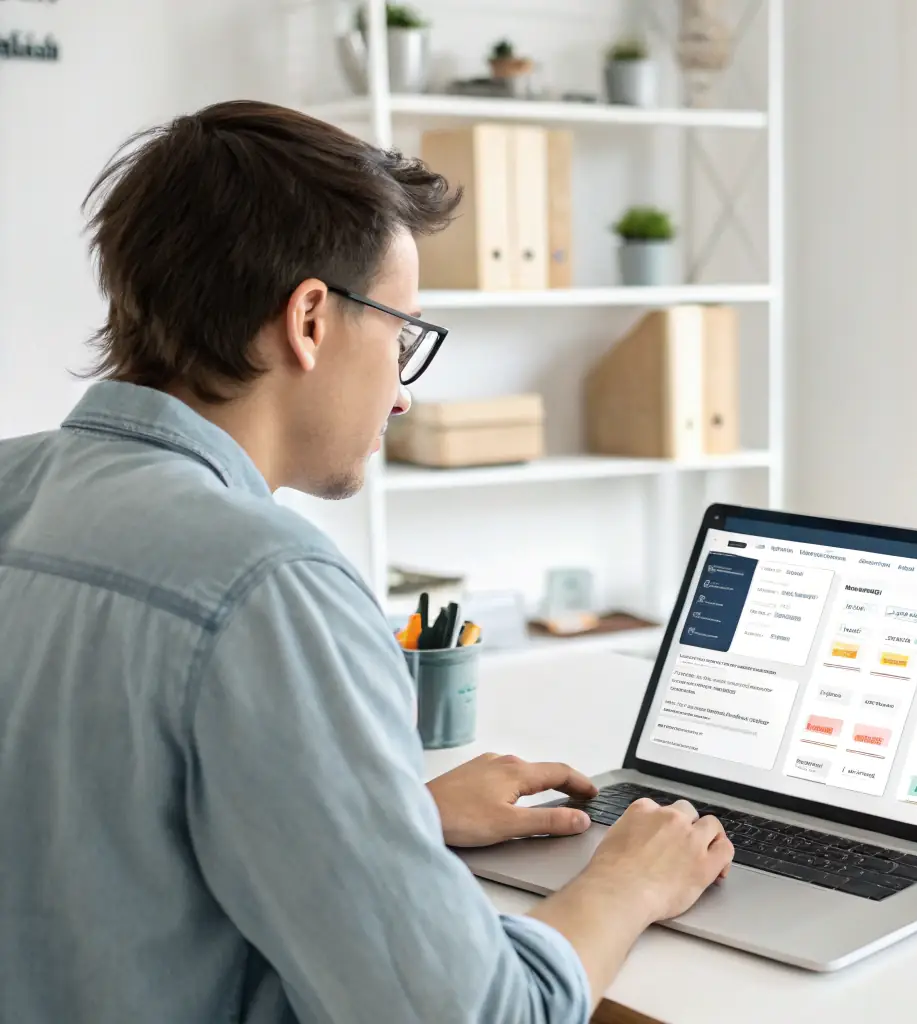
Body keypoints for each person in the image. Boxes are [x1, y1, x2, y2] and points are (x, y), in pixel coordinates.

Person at [0, 100, 732, 1023]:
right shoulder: (267, 586)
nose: (399, 393)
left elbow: (98, 846)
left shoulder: (14, 488)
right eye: (402, 334)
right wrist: (627, 881)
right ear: (310, 318)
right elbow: (472, 1014)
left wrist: (395, 818)